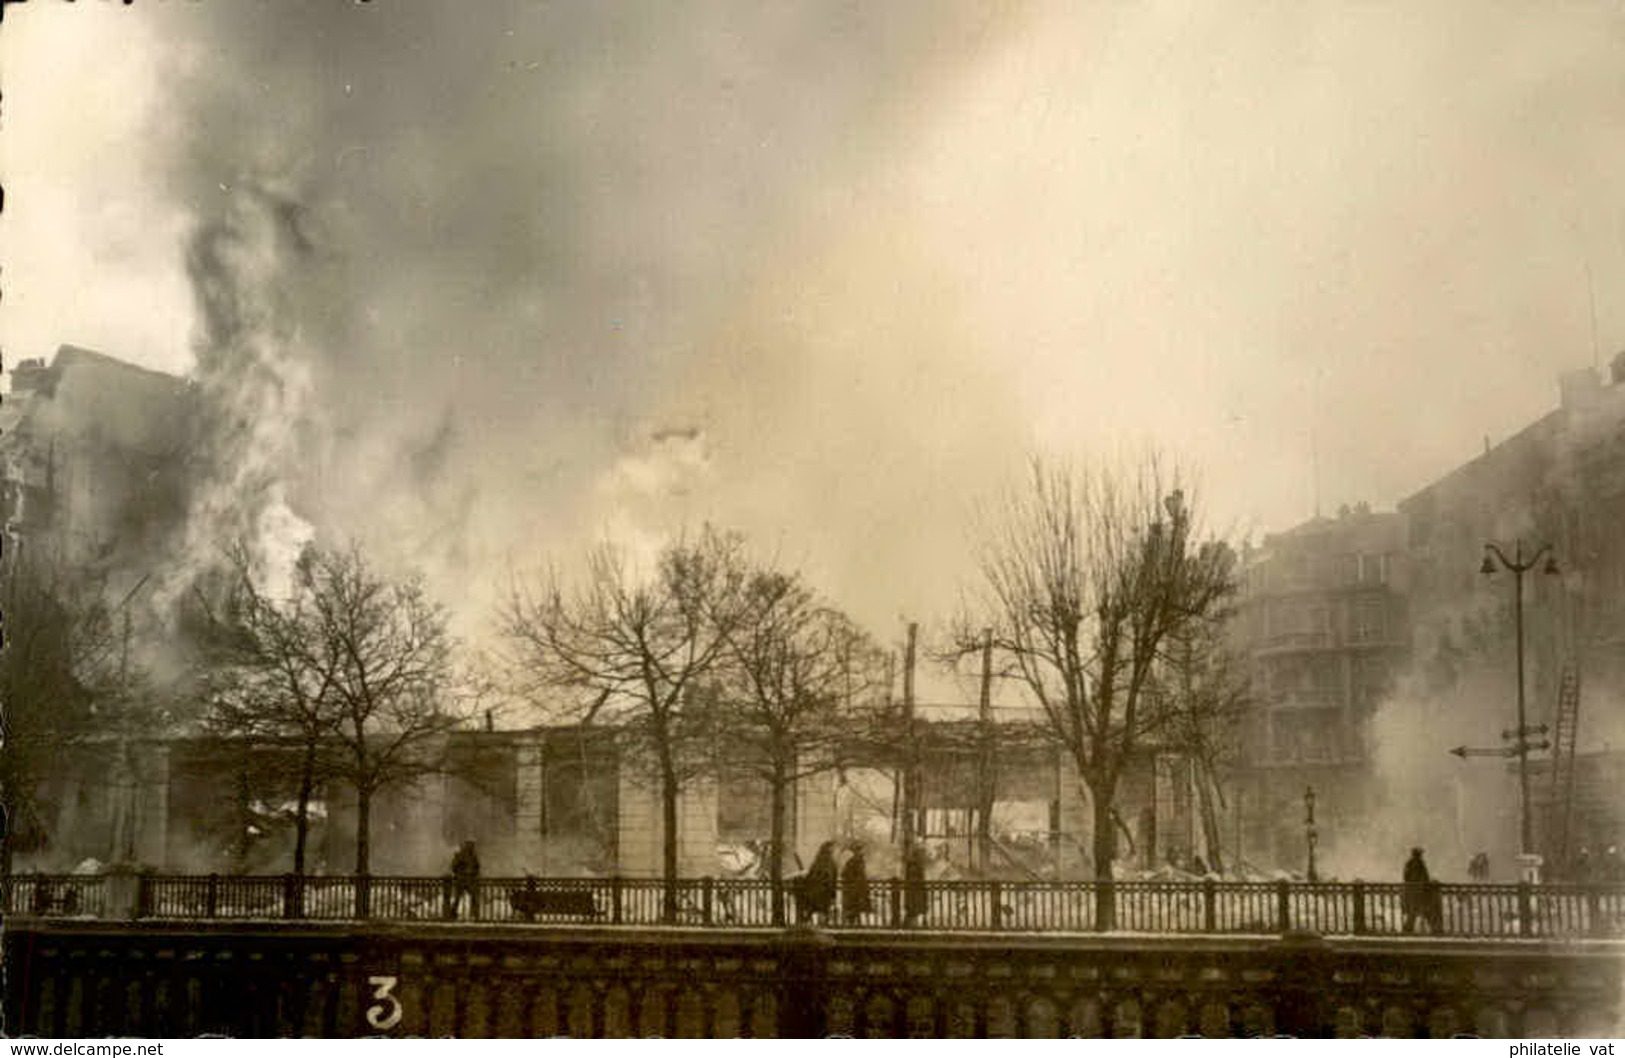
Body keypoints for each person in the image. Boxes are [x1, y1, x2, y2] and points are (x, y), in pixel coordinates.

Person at [798, 841, 839, 924]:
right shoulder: (829, 862)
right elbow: (833, 877)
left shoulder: (818, 861)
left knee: (815, 909)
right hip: (824, 890)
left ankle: (810, 922)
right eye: (831, 849)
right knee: (822, 909)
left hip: (818, 890)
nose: (833, 851)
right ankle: (821, 923)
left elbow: (811, 875)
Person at [1402, 847, 1437, 934]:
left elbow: (1406, 877)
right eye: (1420, 854)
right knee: (1425, 910)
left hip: (1411, 891)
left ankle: (1408, 928)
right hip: (1420, 891)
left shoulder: (1409, 863)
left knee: (1413, 911)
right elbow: (1425, 877)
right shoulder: (1420, 864)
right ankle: (1434, 928)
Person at [840, 842, 873, 926]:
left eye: (860, 850)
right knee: (854, 908)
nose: (861, 852)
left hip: (858, 888)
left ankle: (855, 923)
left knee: (856, 908)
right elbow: (845, 874)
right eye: (859, 850)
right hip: (854, 889)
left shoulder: (858, 861)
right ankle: (853, 924)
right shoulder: (852, 861)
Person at [449, 839, 481, 920]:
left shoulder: (473, 856)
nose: (471, 848)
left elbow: (477, 867)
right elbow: (453, 867)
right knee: (458, 898)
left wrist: (473, 873)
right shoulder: (460, 855)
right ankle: (453, 913)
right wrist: (460, 873)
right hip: (461, 880)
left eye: (471, 846)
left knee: (474, 897)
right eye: (469, 846)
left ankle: (474, 914)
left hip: (470, 880)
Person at [903, 845, 929, 928]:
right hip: (915, 890)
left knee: (914, 909)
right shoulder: (915, 865)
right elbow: (919, 878)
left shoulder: (913, 864)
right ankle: (914, 924)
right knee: (915, 908)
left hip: (915, 890)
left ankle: (914, 924)